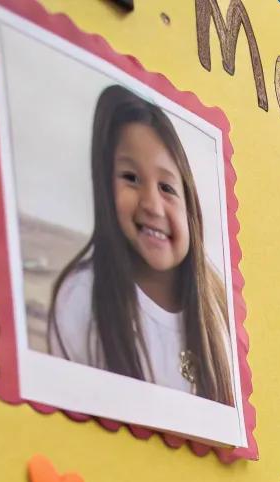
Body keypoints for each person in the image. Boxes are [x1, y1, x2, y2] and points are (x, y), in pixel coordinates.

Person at [48, 84, 234, 404]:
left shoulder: (218, 305)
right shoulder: (79, 300)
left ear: (190, 203)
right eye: (131, 178)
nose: (151, 204)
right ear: (105, 188)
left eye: (166, 186)